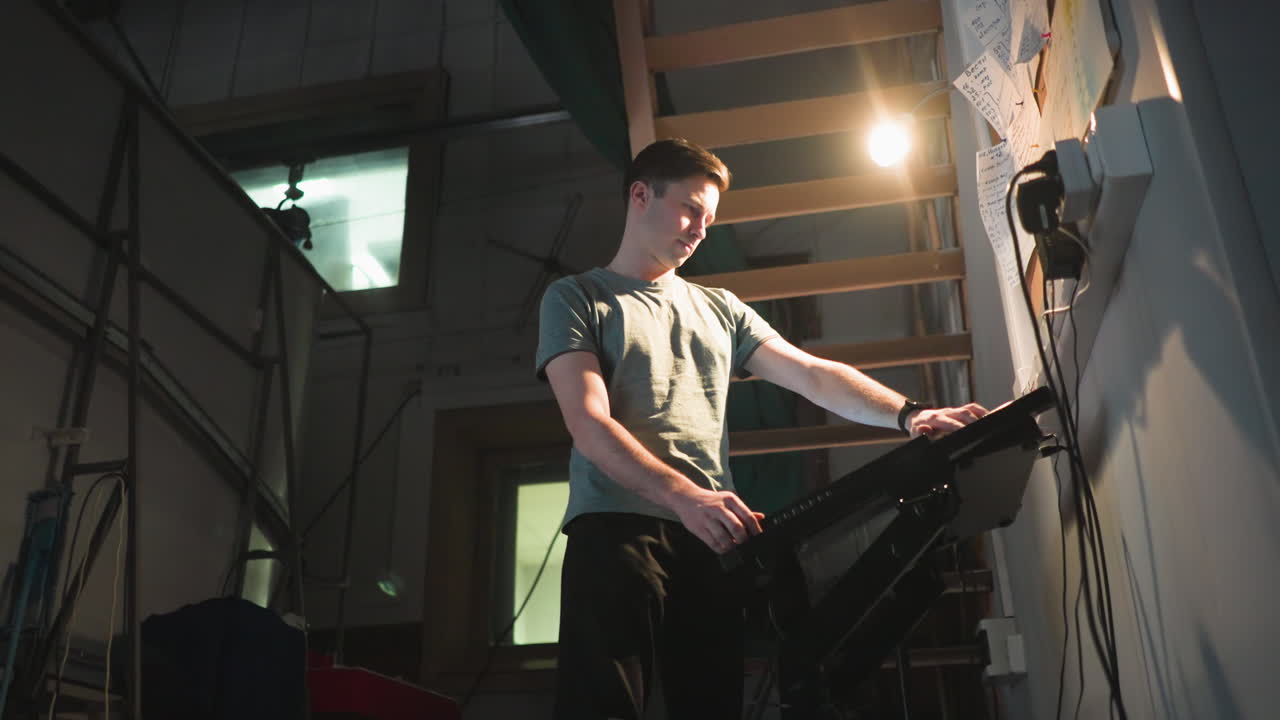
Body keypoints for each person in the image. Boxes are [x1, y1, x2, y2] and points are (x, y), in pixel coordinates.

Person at [535, 138, 987, 719]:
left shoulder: (719, 307)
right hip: (616, 531)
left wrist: (910, 414)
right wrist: (685, 496)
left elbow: (811, 373)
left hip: (710, 535)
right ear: (641, 195)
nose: (701, 229)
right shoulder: (577, 297)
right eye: (691, 209)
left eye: (711, 219)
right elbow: (589, 424)